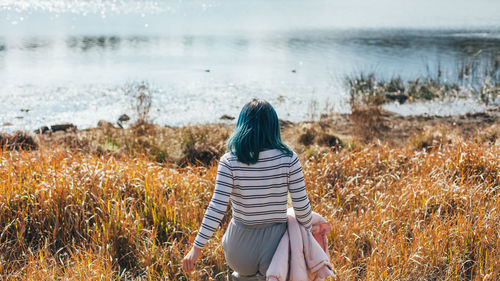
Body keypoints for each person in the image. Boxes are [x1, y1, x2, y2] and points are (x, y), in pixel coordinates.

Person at [182, 99, 313, 280]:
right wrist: (308, 235)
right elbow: (301, 207)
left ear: (241, 125)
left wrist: (196, 249)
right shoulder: (289, 159)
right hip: (276, 248)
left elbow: (217, 208)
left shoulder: (229, 161)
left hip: (239, 249)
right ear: (274, 126)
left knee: (244, 275)